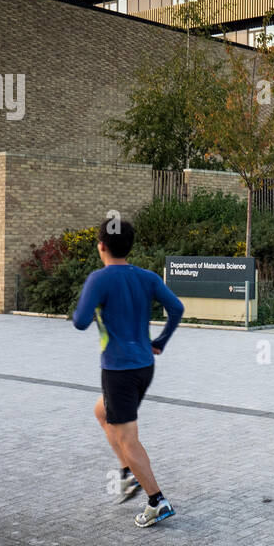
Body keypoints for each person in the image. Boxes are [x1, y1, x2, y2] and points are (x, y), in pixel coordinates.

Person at [72, 218, 184, 528]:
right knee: (101, 412)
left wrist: (89, 307)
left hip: (118, 370)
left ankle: (157, 500)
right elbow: (176, 308)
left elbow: (80, 322)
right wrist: (160, 341)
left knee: (128, 439)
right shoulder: (146, 277)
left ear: (101, 246)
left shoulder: (99, 279)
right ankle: (127, 474)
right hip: (144, 366)